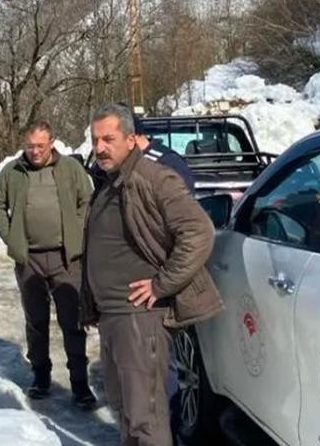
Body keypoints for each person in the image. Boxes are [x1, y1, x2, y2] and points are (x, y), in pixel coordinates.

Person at [80, 103, 223, 446]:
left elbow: (198, 230)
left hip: (140, 318)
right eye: (95, 139)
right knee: (126, 410)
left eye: (108, 139)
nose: (99, 147)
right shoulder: (113, 181)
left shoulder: (152, 177)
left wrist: (163, 284)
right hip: (113, 316)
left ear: (131, 139)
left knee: (147, 417)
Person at [0, 121, 96, 409]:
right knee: (36, 322)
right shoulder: (13, 172)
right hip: (30, 259)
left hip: (66, 258)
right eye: (30, 146)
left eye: (40, 145)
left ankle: (80, 383)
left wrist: (77, 230)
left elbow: (87, 200)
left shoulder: (71, 170)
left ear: (52, 143)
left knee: (72, 321)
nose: (35, 151)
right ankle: (40, 377)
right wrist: (11, 238)